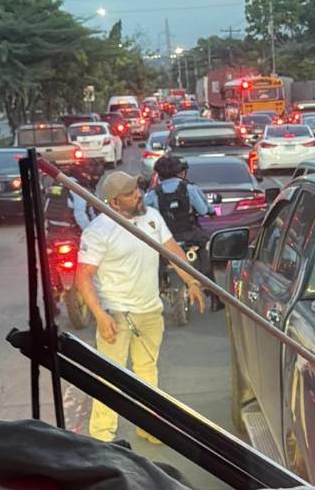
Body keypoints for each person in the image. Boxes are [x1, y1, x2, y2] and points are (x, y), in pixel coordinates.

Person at [76, 171, 205, 445]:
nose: (138, 196)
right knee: (110, 377)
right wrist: (99, 315)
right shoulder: (98, 230)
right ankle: (102, 438)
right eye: (130, 194)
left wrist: (191, 281)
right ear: (113, 201)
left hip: (149, 311)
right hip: (116, 314)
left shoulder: (152, 218)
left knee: (147, 371)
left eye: (137, 190)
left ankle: (149, 427)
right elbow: (83, 276)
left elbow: (172, 252)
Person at [144, 155, 223, 312]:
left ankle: (156, 288)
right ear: (180, 172)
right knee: (206, 251)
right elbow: (202, 209)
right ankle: (214, 298)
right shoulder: (189, 188)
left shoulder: (152, 194)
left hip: (164, 239)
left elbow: (144, 213)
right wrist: (211, 212)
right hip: (190, 235)